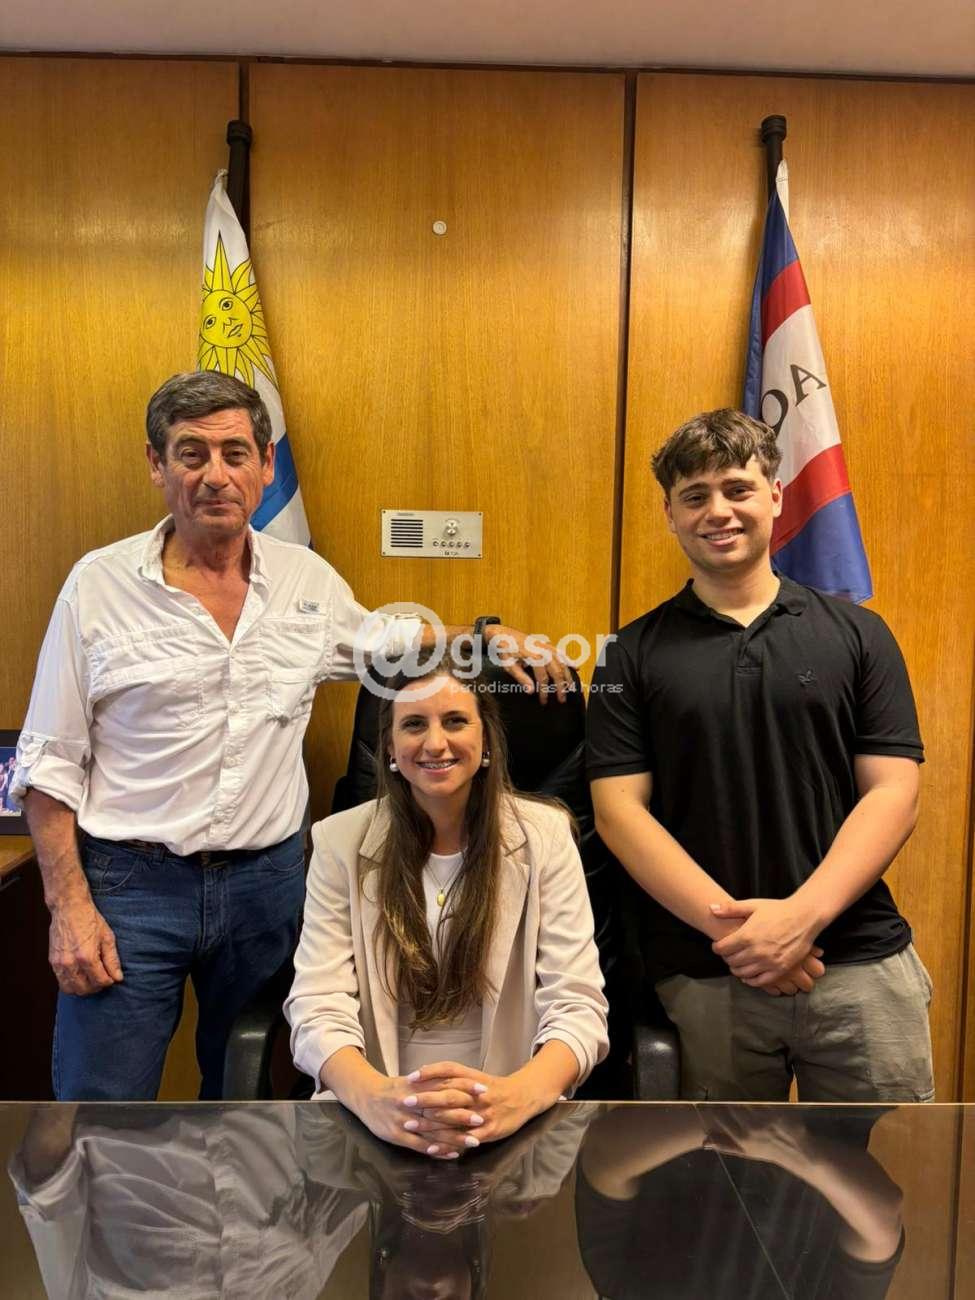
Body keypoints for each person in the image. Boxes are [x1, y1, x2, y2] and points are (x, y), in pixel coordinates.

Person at [12, 370, 569, 1101]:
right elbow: (49, 762)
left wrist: (488, 636)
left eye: (235, 453)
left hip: (264, 888)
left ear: (266, 463)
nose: (215, 475)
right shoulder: (98, 586)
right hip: (131, 889)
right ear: (156, 464)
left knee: (248, 1108)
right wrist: (69, 908)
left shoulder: (306, 581)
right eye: (191, 454)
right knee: (101, 1111)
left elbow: (387, 643)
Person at [587, 408, 933, 1102]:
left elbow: (893, 793)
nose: (718, 511)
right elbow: (619, 814)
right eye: (694, 496)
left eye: (737, 489)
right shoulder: (627, 655)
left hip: (857, 964)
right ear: (669, 514)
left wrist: (800, 919)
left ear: (775, 496)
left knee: (892, 1167)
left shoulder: (860, 635)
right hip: (710, 971)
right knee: (724, 1171)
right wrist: (746, 937)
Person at [285, 663, 608, 1157]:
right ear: (389, 748)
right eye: (414, 725)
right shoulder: (339, 842)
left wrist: (514, 1098)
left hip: (512, 1113)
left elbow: (578, 1005)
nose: (435, 744)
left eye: (455, 721)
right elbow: (317, 1003)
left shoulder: (546, 837)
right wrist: (376, 1099)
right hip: (376, 1113)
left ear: (487, 741)